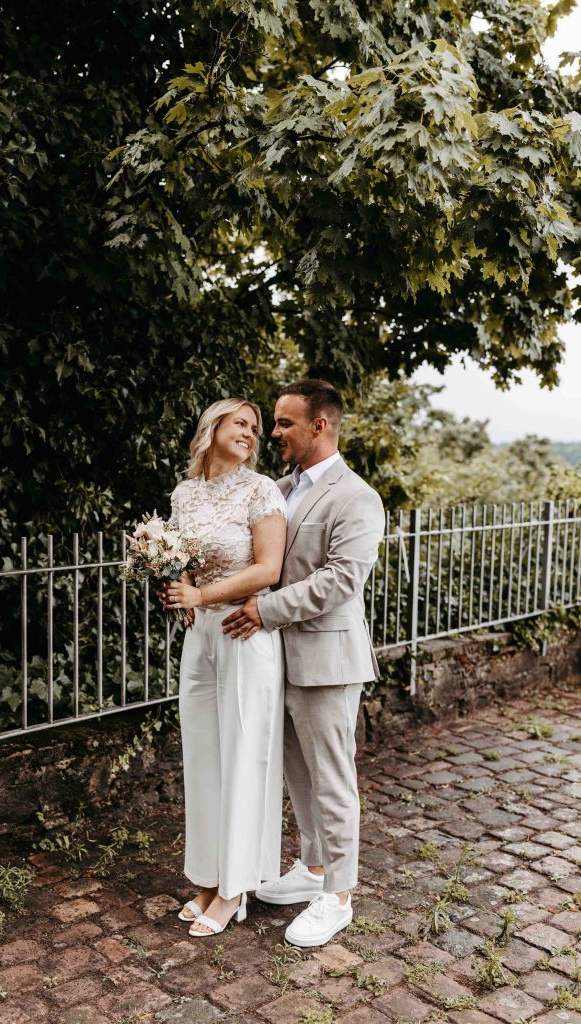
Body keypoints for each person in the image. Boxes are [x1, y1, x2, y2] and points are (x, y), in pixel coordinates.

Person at [222, 379, 385, 948]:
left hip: (327, 660)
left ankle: (338, 895)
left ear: (320, 425)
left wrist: (265, 610)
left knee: (332, 780)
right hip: (276, 660)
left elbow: (341, 580)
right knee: (298, 775)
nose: (273, 433)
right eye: (274, 422)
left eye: (284, 423)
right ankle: (313, 868)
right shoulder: (278, 489)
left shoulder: (357, 497)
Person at [160, 397, 287, 937]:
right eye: (241, 423)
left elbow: (269, 569)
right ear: (212, 427)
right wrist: (177, 588)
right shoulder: (184, 494)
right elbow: (183, 562)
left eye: (256, 428)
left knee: (242, 758)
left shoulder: (262, 490)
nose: (251, 434)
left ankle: (235, 889)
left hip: (243, 632)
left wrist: (201, 594)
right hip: (200, 637)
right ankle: (209, 880)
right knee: (203, 758)